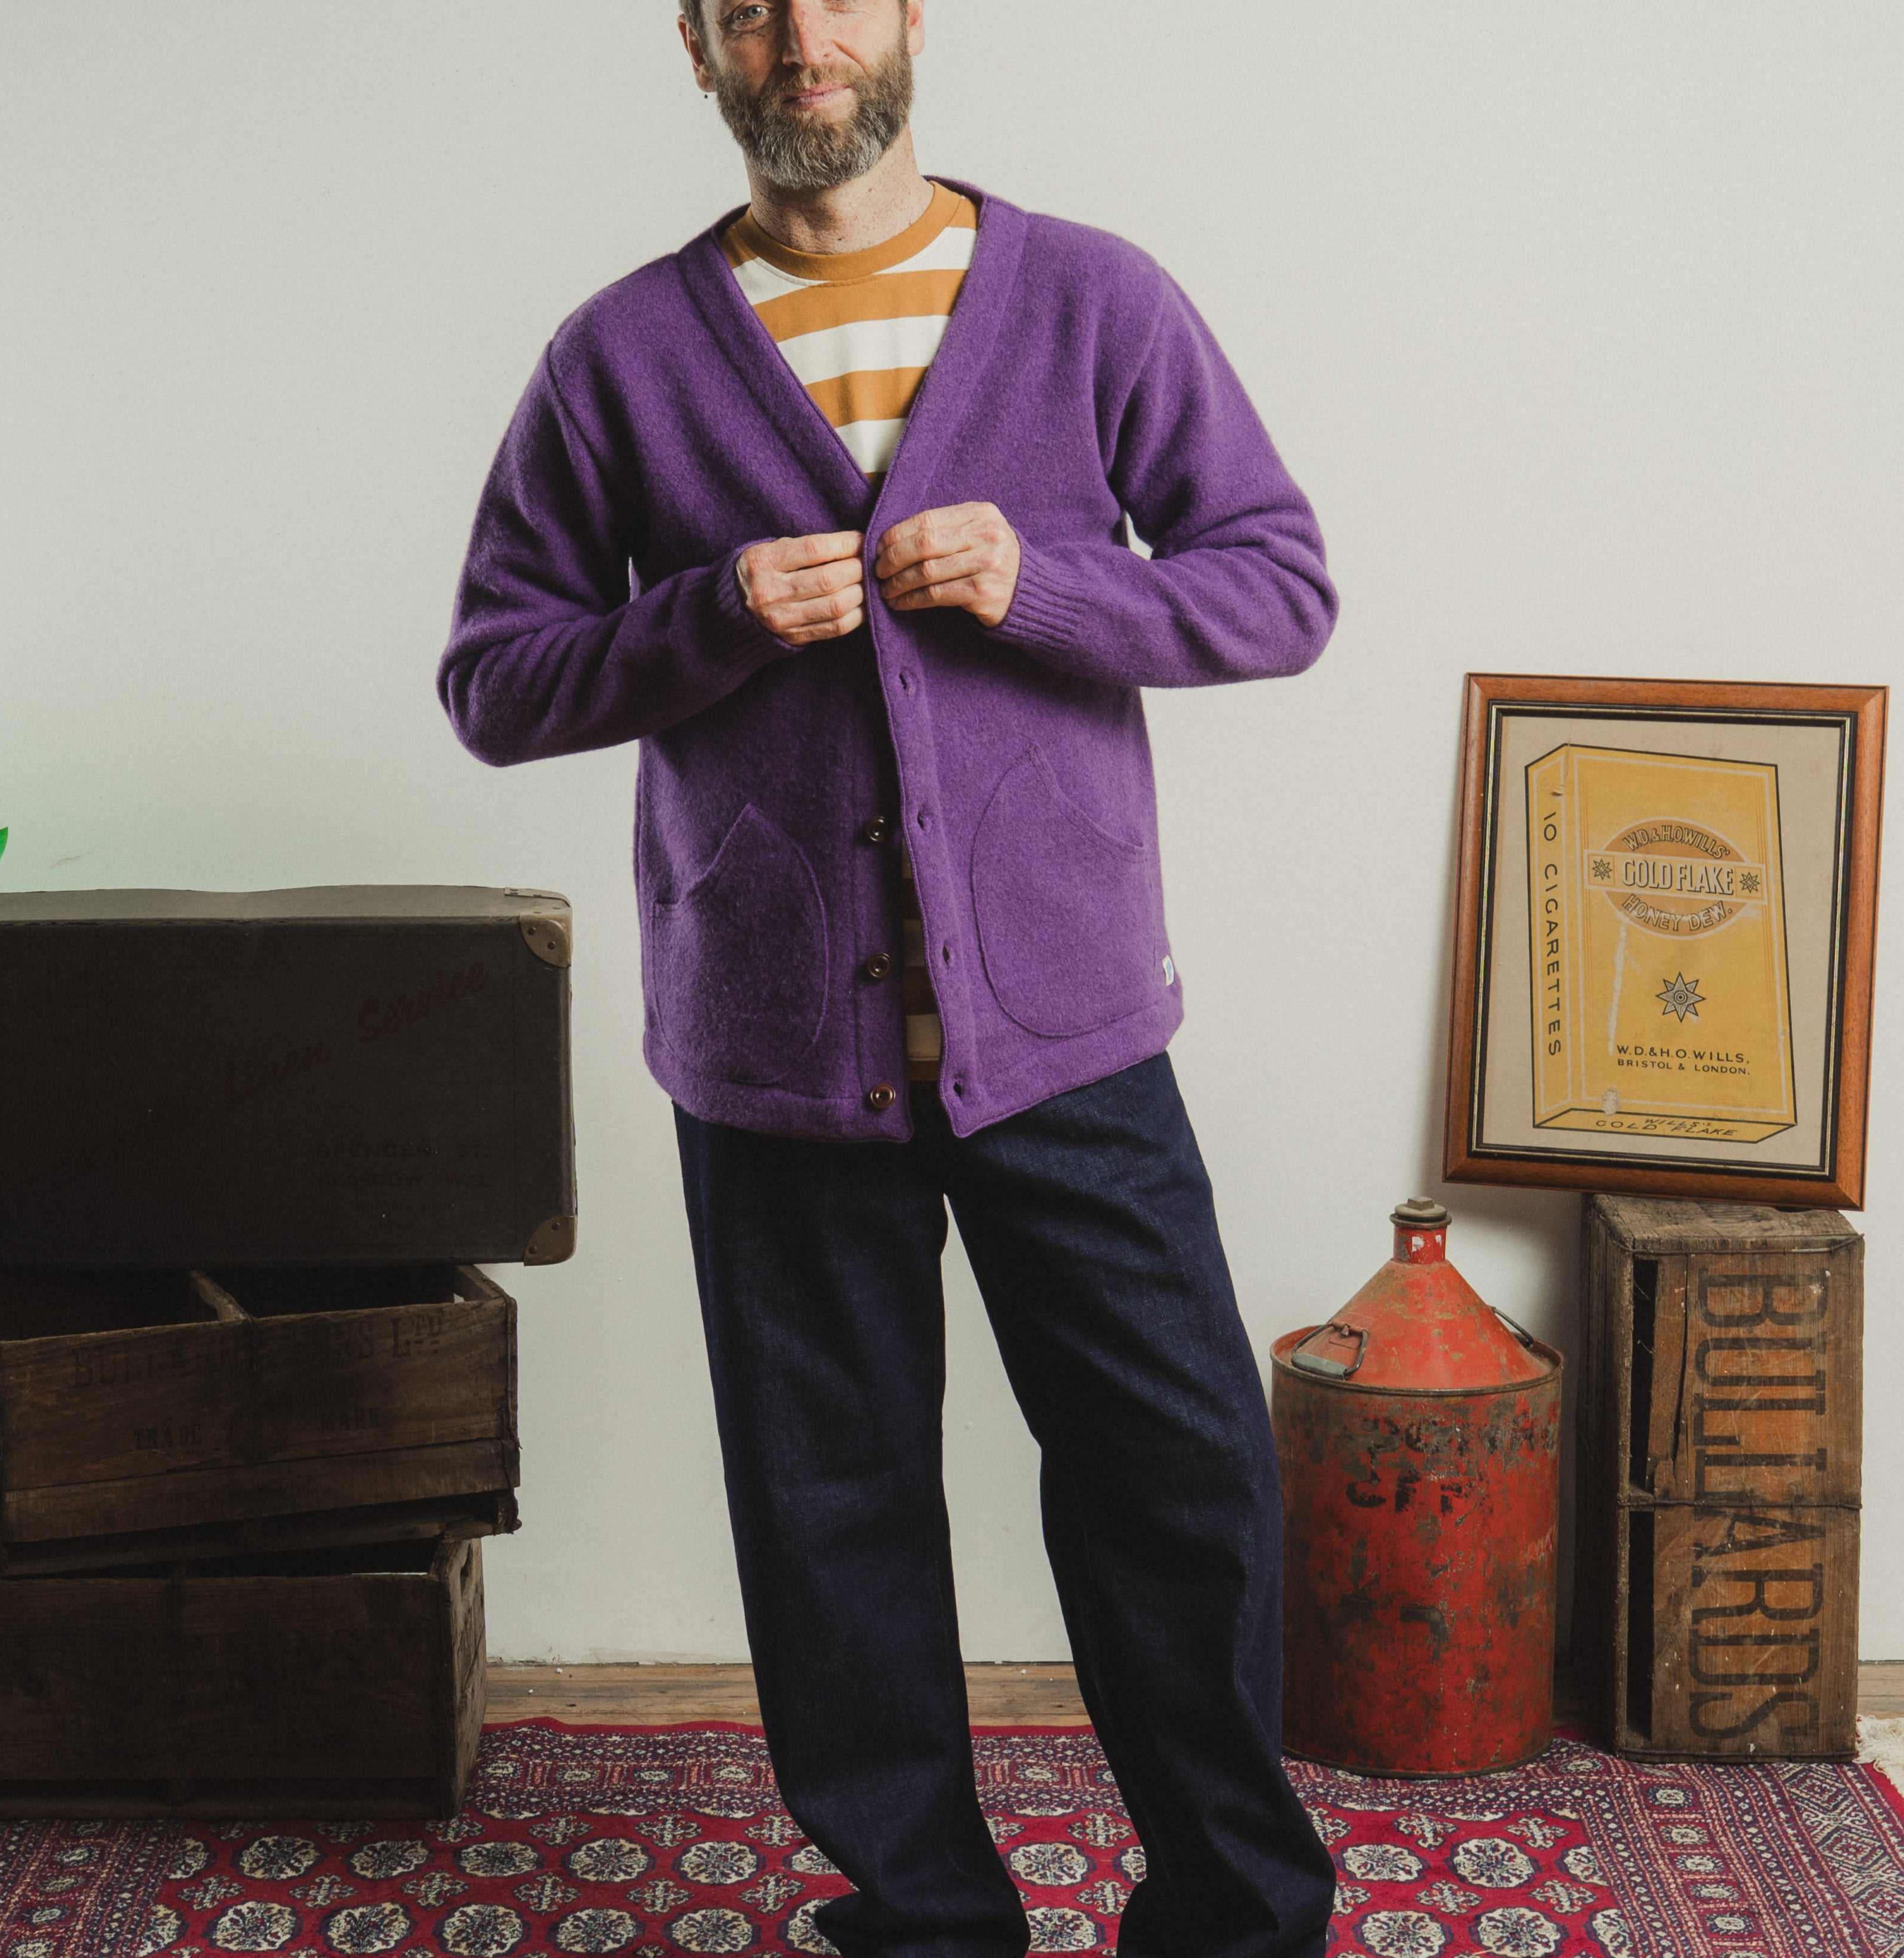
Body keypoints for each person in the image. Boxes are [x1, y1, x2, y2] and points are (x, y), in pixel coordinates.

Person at [439, 2, 1339, 1951]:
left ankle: (1238, 1918)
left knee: (1182, 1486)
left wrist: (1053, 581)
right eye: (748, 3)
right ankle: (930, 1922)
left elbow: (1279, 583)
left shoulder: (1092, 298)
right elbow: (494, 681)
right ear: (699, 48)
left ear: (909, 17)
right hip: (774, 1050)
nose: (799, 36)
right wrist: (699, 621)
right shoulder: (619, 356)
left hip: (1070, 1031)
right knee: (833, 1515)